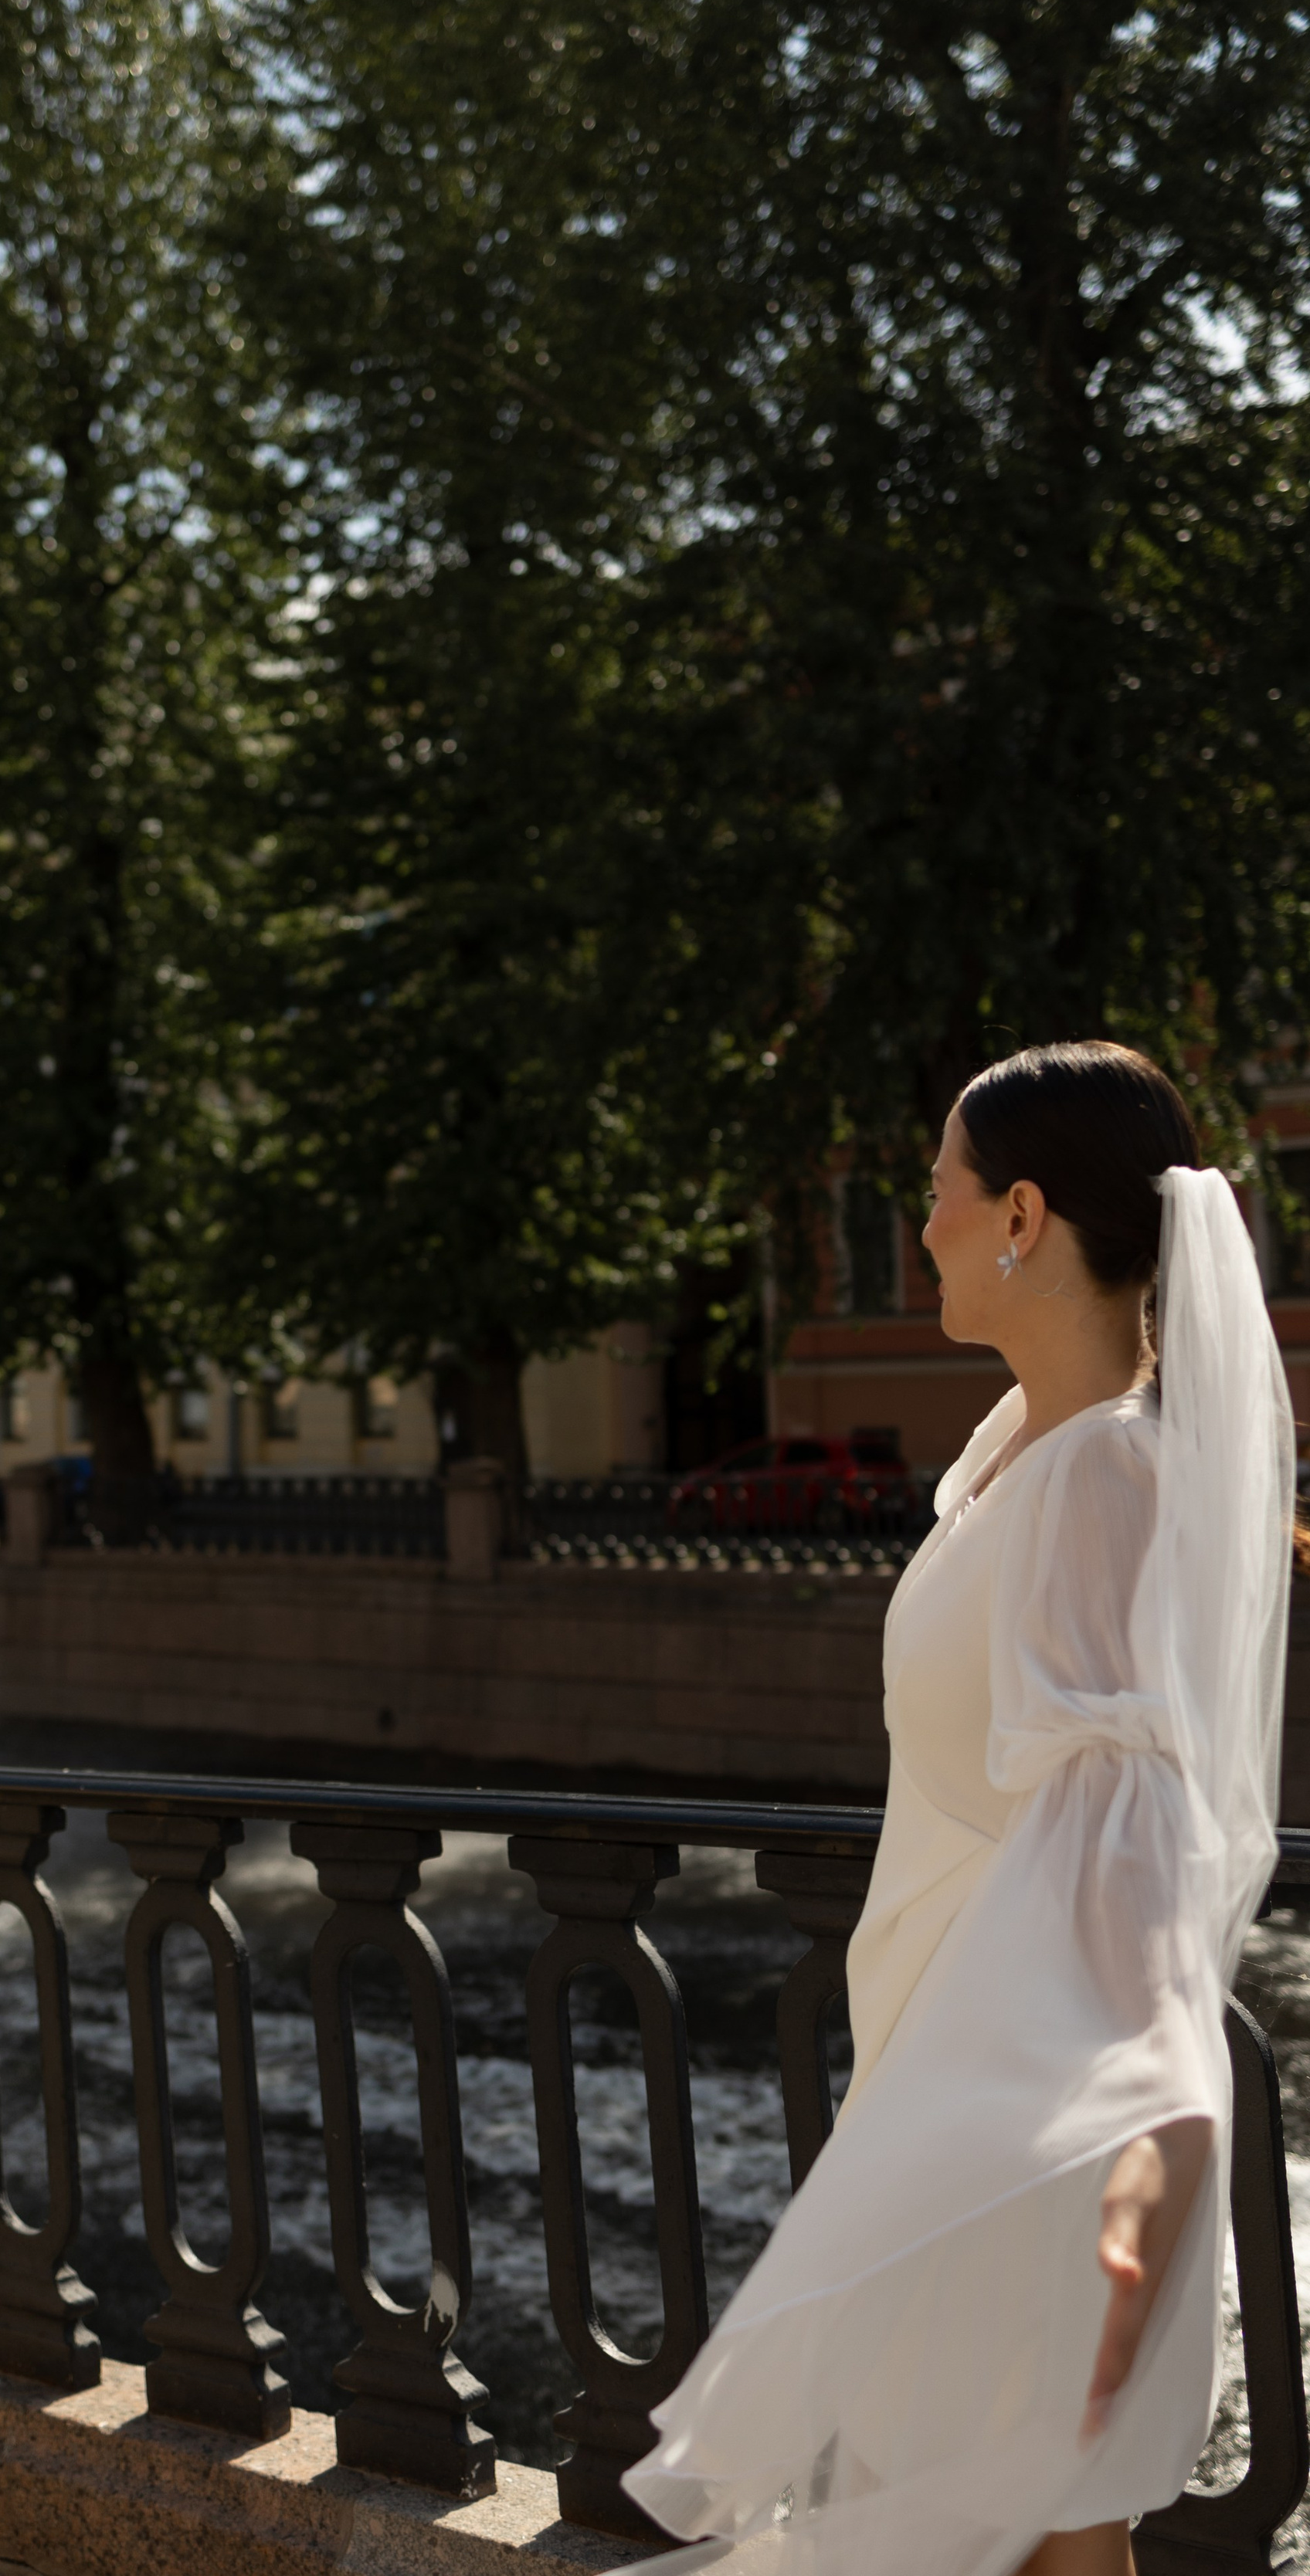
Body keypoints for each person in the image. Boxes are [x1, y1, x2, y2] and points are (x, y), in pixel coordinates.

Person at [623, 1042, 1295, 2576]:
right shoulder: (1019, 1456)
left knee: (1032, 2536)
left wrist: (1138, 2155)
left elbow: (1131, 1834)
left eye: (934, 1192)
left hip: (1039, 2113)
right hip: (969, 2074)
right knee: (1013, 2533)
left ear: (1019, 1216)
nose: (917, 1224)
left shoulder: (1093, 1480)